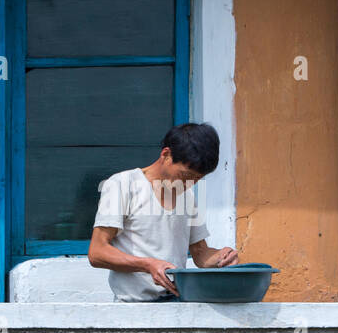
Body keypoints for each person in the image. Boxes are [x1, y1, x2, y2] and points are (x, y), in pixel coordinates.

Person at [88, 123, 238, 301]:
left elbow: (200, 254)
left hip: (177, 304)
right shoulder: (123, 184)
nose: (190, 184)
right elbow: (97, 252)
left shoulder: (187, 196)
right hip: (131, 309)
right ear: (166, 154)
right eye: (186, 176)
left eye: (197, 179)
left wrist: (222, 257)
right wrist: (147, 264)